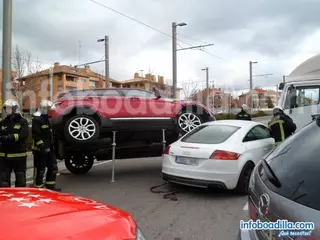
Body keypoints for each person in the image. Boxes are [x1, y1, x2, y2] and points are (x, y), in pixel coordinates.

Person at [32, 100, 61, 191]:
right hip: (40, 150)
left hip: (50, 149)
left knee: (53, 167)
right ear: (44, 109)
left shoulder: (48, 119)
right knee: (40, 169)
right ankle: (38, 187)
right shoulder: (37, 119)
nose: (51, 112)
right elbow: (36, 135)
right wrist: (42, 146)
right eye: (49, 110)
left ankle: (50, 186)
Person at [0, 99, 29, 187]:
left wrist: (10, 137)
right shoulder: (3, 123)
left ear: (15, 108)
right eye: (6, 108)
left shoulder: (23, 122)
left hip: (19, 156)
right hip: (4, 157)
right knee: (3, 181)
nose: (7, 110)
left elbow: (23, 135)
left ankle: (19, 199)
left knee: (20, 180)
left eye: (10, 108)